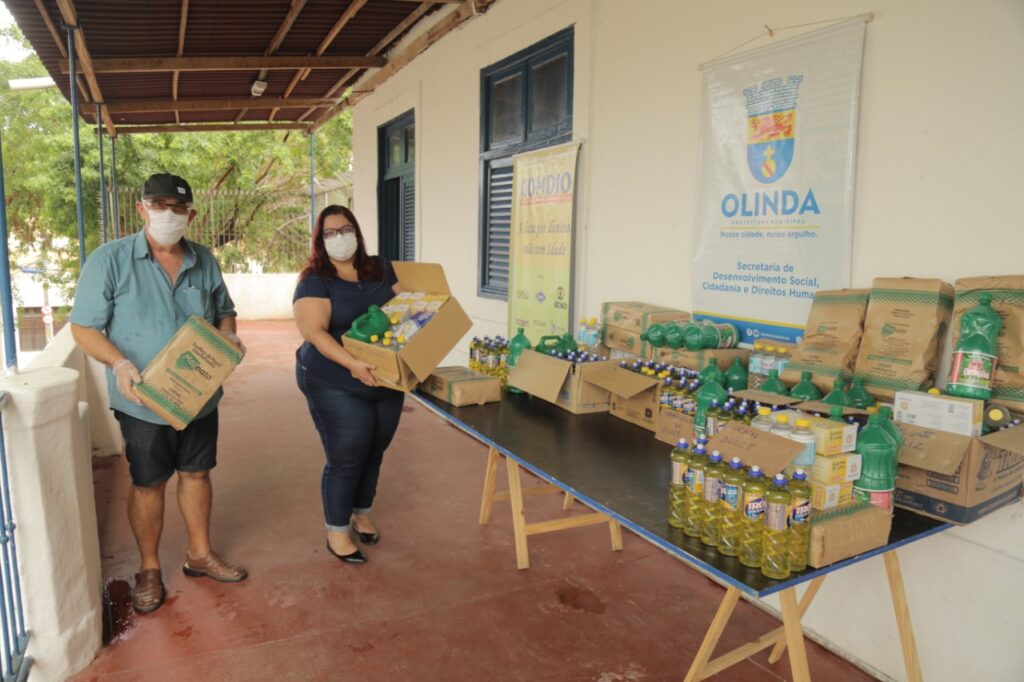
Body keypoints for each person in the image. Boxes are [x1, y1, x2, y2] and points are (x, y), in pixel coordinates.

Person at [70, 173, 248, 614]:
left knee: (197, 474)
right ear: (141, 209)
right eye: (160, 205)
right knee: (148, 483)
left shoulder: (204, 260)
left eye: (178, 207)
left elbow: (224, 311)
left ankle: (199, 554)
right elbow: (83, 327)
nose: (169, 214)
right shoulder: (110, 260)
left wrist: (229, 338)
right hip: (143, 400)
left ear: (191, 215)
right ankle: (149, 568)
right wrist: (119, 364)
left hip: (198, 397)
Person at [293, 205, 405, 564]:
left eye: (345, 229)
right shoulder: (315, 280)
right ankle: (337, 531)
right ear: (319, 240)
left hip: (384, 375)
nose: (339, 238)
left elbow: (408, 308)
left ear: (356, 231)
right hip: (333, 377)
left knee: (376, 448)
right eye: (329, 233)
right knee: (348, 453)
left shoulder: (380, 268)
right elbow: (314, 332)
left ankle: (362, 512)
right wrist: (353, 364)